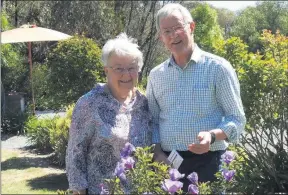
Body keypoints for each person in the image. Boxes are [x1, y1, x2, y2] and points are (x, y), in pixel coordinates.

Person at [146, 3, 246, 191]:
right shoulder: (156, 75)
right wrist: (157, 151)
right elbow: (151, 120)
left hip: (209, 163)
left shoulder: (218, 68)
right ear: (161, 38)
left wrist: (212, 136)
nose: (173, 35)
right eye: (166, 31)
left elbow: (237, 119)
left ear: (191, 27)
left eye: (178, 28)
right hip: (169, 163)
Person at [66, 33, 152, 195]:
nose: (126, 74)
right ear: (106, 70)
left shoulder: (144, 104)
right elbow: (75, 155)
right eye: (118, 68)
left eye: (132, 68)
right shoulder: (89, 103)